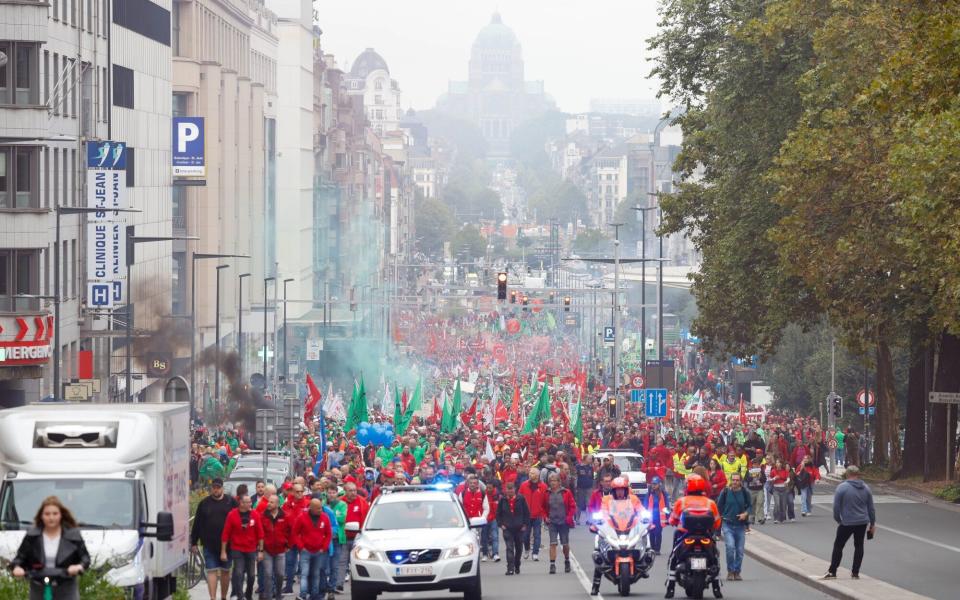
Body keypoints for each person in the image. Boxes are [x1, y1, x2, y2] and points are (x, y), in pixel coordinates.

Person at [10, 496, 90, 600]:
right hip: (39, 586)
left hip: (66, 586)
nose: (51, 517)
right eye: (47, 514)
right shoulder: (32, 536)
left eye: (55, 514)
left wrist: (79, 567)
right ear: (41, 516)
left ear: (61, 515)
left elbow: (85, 558)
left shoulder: (73, 535)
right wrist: (17, 567)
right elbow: (19, 558)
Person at [665, 475, 721, 599]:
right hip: (705, 535)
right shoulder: (710, 502)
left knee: (673, 558)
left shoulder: (682, 501)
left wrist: (670, 521)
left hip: (684, 534)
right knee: (715, 558)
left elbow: (673, 519)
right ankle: (716, 587)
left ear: (688, 486)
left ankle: (670, 588)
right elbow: (717, 523)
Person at [590, 477, 642, 595]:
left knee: (644, 538)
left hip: (629, 528)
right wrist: (599, 523)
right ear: (613, 490)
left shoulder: (633, 499)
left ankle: (643, 560)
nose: (620, 492)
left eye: (622, 489)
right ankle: (595, 585)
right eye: (617, 490)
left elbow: (641, 510)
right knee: (599, 553)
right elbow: (603, 513)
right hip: (612, 529)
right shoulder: (606, 499)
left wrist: (645, 519)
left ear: (626, 489)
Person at [824, 466, 876, 580]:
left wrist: (838, 520)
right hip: (862, 522)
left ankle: (833, 571)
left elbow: (836, 507)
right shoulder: (866, 488)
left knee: (838, 545)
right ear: (858, 475)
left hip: (847, 522)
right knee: (859, 545)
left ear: (847, 474)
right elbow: (871, 508)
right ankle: (855, 572)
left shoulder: (842, 488)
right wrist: (872, 524)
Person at [191, 478, 238, 600]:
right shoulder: (204, 503)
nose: (216, 490)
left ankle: (223, 597)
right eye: (214, 487)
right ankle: (212, 598)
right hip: (209, 543)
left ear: (222, 488)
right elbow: (197, 523)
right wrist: (193, 542)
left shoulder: (231, 502)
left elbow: (239, 519)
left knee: (225, 571)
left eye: (218, 487)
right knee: (211, 571)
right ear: (211, 488)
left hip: (227, 545)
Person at [221, 493, 264, 600]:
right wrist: (223, 551)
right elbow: (225, 534)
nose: (250, 503)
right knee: (239, 573)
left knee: (251, 575)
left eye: (250, 501)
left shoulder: (255, 514)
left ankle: (248, 594)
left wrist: (261, 550)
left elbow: (260, 533)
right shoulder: (232, 515)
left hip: (251, 549)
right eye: (248, 502)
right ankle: (240, 596)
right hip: (237, 549)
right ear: (241, 503)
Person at [293, 499, 333, 600]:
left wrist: (323, 548)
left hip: (319, 551)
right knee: (304, 573)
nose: (321, 510)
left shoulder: (325, 517)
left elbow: (328, 534)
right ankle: (303, 595)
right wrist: (301, 547)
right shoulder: (302, 517)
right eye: (318, 508)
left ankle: (314, 595)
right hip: (305, 551)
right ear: (311, 508)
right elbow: (294, 533)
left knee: (316, 574)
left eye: (321, 507)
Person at [717, 473, 751, 581]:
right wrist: (721, 518)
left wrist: (745, 514)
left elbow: (750, 506)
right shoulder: (725, 492)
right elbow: (719, 506)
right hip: (728, 524)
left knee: (740, 551)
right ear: (731, 480)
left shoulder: (745, 492)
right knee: (730, 548)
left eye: (737, 480)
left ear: (740, 481)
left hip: (740, 526)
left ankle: (737, 572)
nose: (735, 482)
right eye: (733, 480)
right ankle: (730, 571)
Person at [541, 473, 576, 575]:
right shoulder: (546, 493)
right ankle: (552, 564)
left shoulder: (566, 492)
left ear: (559, 482)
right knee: (552, 543)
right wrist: (545, 517)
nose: (552, 483)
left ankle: (567, 560)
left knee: (565, 543)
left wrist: (569, 517)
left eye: (555, 481)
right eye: (551, 481)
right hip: (552, 522)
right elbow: (542, 507)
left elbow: (572, 506)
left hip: (564, 522)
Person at [497, 481, 530, 576]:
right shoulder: (502, 500)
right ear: (505, 490)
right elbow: (498, 514)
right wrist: (501, 525)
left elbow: (526, 513)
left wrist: (525, 525)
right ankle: (510, 568)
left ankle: (517, 564)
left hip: (520, 529)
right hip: (507, 528)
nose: (510, 492)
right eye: (508, 490)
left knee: (519, 548)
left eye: (511, 490)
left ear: (515, 489)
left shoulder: (521, 499)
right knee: (509, 548)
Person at [260, 495, 289, 600]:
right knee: (267, 573)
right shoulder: (262, 516)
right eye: (268, 501)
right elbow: (260, 533)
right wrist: (260, 549)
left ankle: (278, 594)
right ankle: (268, 596)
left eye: (271, 502)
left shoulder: (285, 516)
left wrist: (288, 544)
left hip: (280, 550)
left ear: (277, 504)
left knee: (280, 574)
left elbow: (291, 531)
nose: (268, 504)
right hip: (267, 550)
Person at [518, 468, 547, 560]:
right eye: (530, 473)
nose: (530, 475)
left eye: (533, 473)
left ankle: (535, 553)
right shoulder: (524, 485)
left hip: (538, 515)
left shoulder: (543, 486)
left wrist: (544, 513)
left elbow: (545, 501)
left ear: (537, 475)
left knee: (537, 535)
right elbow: (519, 498)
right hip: (526, 515)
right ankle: (527, 549)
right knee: (525, 535)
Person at [645, 476, 670, 554]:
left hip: (660, 518)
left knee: (658, 533)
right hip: (651, 518)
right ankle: (652, 548)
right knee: (651, 534)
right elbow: (645, 503)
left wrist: (668, 516)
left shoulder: (663, 494)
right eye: (653, 484)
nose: (654, 485)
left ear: (659, 484)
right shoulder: (649, 493)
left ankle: (657, 549)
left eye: (655, 484)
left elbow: (666, 505)